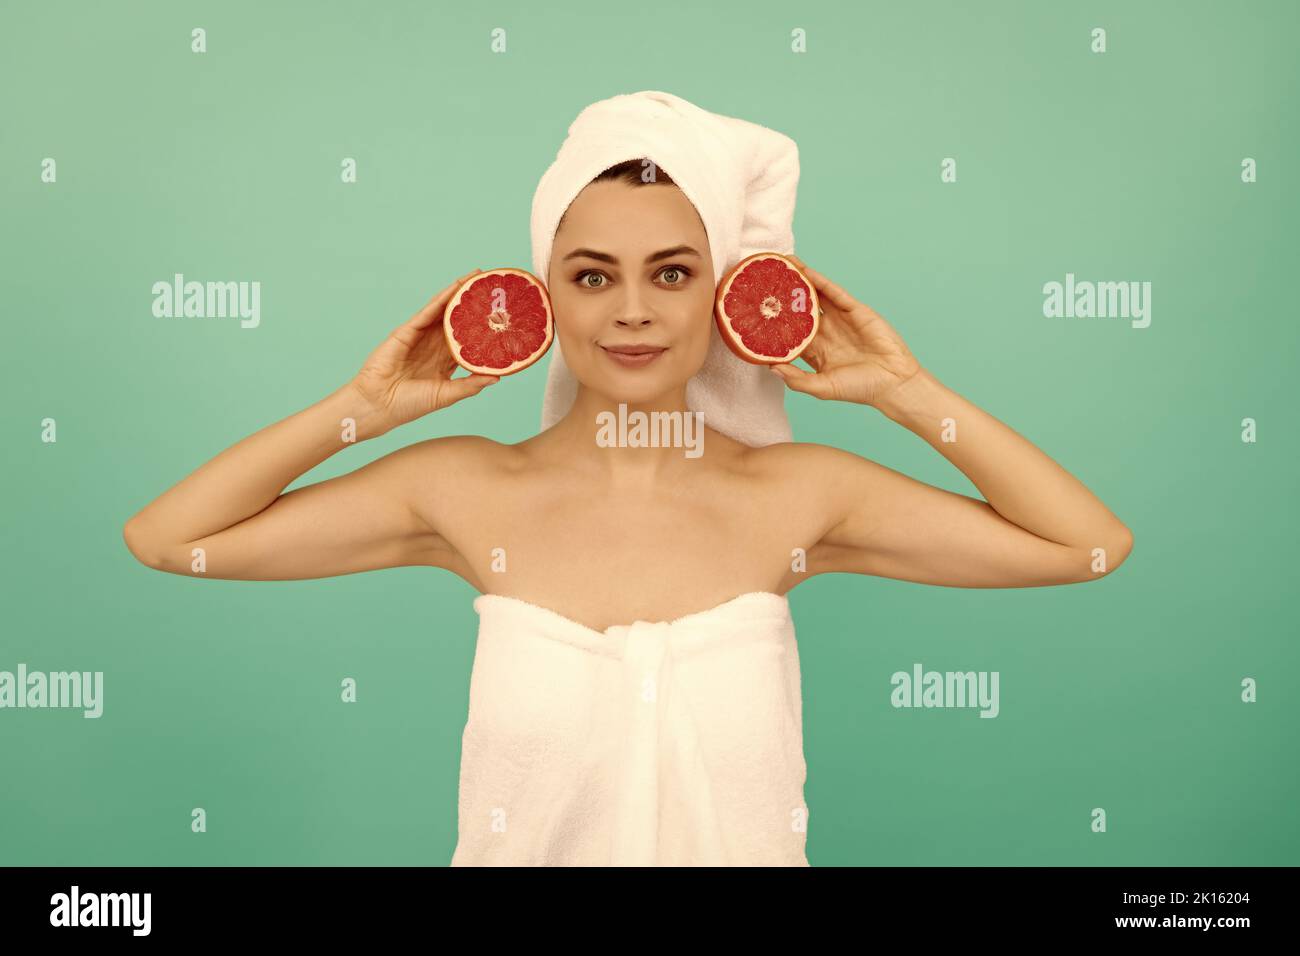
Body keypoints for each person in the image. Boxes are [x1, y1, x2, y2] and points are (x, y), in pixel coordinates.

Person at [123, 99, 1132, 866]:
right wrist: (367, 406)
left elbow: (1084, 544)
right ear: (544, 292)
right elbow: (171, 536)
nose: (634, 311)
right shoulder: (468, 491)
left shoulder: (797, 496)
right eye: (594, 274)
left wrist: (905, 391)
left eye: (675, 272)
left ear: (726, 292)